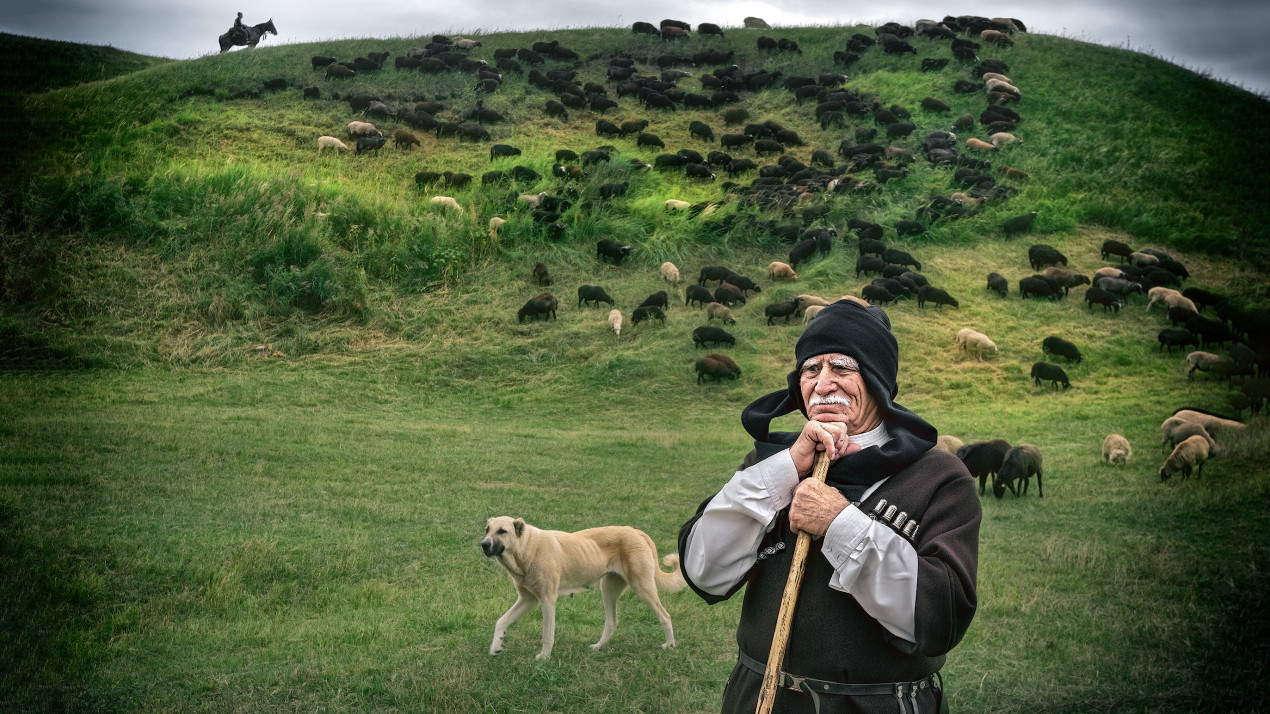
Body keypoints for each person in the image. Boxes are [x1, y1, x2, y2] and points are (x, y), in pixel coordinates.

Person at [679, 299, 981, 714]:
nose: (822, 384)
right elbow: (704, 571)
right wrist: (783, 472)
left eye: (841, 367)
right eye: (810, 369)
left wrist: (839, 522)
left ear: (876, 379)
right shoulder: (769, 463)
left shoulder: (937, 476)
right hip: (760, 699)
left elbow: (939, 619)